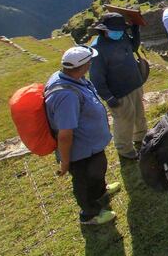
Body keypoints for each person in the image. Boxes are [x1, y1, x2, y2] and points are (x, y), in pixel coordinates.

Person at [44, 46, 120, 225]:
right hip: (80, 150)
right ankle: (90, 214)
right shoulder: (66, 96)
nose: (91, 64)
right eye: (89, 62)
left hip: (91, 144)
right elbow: (65, 133)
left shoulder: (73, 78)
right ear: (83, 66)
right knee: (83, 180)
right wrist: (65, 160)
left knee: (97, 168)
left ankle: (100, 191)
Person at [89, 12, 147, 160]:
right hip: (119, 92)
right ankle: (125, 150)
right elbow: (96, 77)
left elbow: (133, 47)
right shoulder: (97, 49)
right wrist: (108, 96)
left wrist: (135, 30)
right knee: (124, 121)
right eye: (115, 30)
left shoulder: (122, 37)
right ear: (104, 30)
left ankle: (141, 138)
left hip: (134, 84)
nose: (119, 32)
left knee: (139, 115)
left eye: (121, 29)